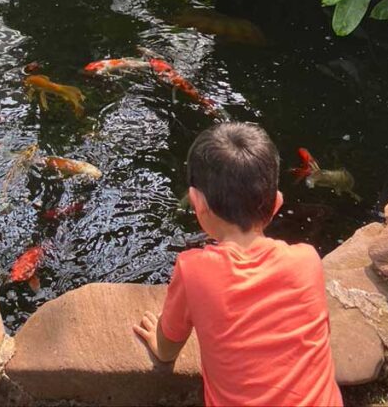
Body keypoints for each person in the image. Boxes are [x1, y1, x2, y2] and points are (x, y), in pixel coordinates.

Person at [134, 122, 342, 407]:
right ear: (277, 203)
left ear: (197, 204)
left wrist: (159, 345)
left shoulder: (194, 270)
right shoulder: (308, 260)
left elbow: (168, 350)